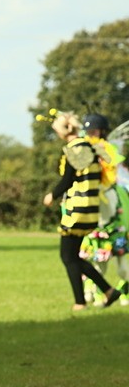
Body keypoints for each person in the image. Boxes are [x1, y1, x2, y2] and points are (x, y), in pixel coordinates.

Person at [43, 111, 122, 310]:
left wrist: (52, 195)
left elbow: (68, 179)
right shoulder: (92, 146)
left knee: (68, 257)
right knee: (72, 257)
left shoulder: (75, 148)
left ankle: (82, 301)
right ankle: (106, 292)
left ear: (64, 131)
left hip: (77, 209)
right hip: (91, 208)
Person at [79, 114, 129, 304]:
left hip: (109, 188)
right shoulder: (81, 149)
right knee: (100, 262)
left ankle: (124, 288)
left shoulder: (108, 149)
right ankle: (96, 289)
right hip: (91, 194)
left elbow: (112, 167)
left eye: (94, 131)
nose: (91, 134)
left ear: (102, 132)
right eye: (88, 131)